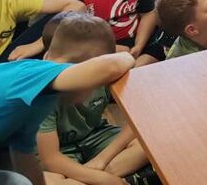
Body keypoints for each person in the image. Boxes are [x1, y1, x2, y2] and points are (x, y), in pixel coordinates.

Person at [0, 13, 136, 185]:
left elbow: (25, 162)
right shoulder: (37, 74)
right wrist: (128, 55)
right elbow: (113, 65)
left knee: (19, 182)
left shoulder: (33, 102)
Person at [37, 14, 159, 185]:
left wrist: (101, 160)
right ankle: (105, 178)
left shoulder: (107, 72)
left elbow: (140, 116)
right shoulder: (41, 95)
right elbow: (51, 159)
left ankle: (91, 178)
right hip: (60, 153)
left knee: (153, 142)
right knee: (49, 181)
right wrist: (104, 179)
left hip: (96, 136)